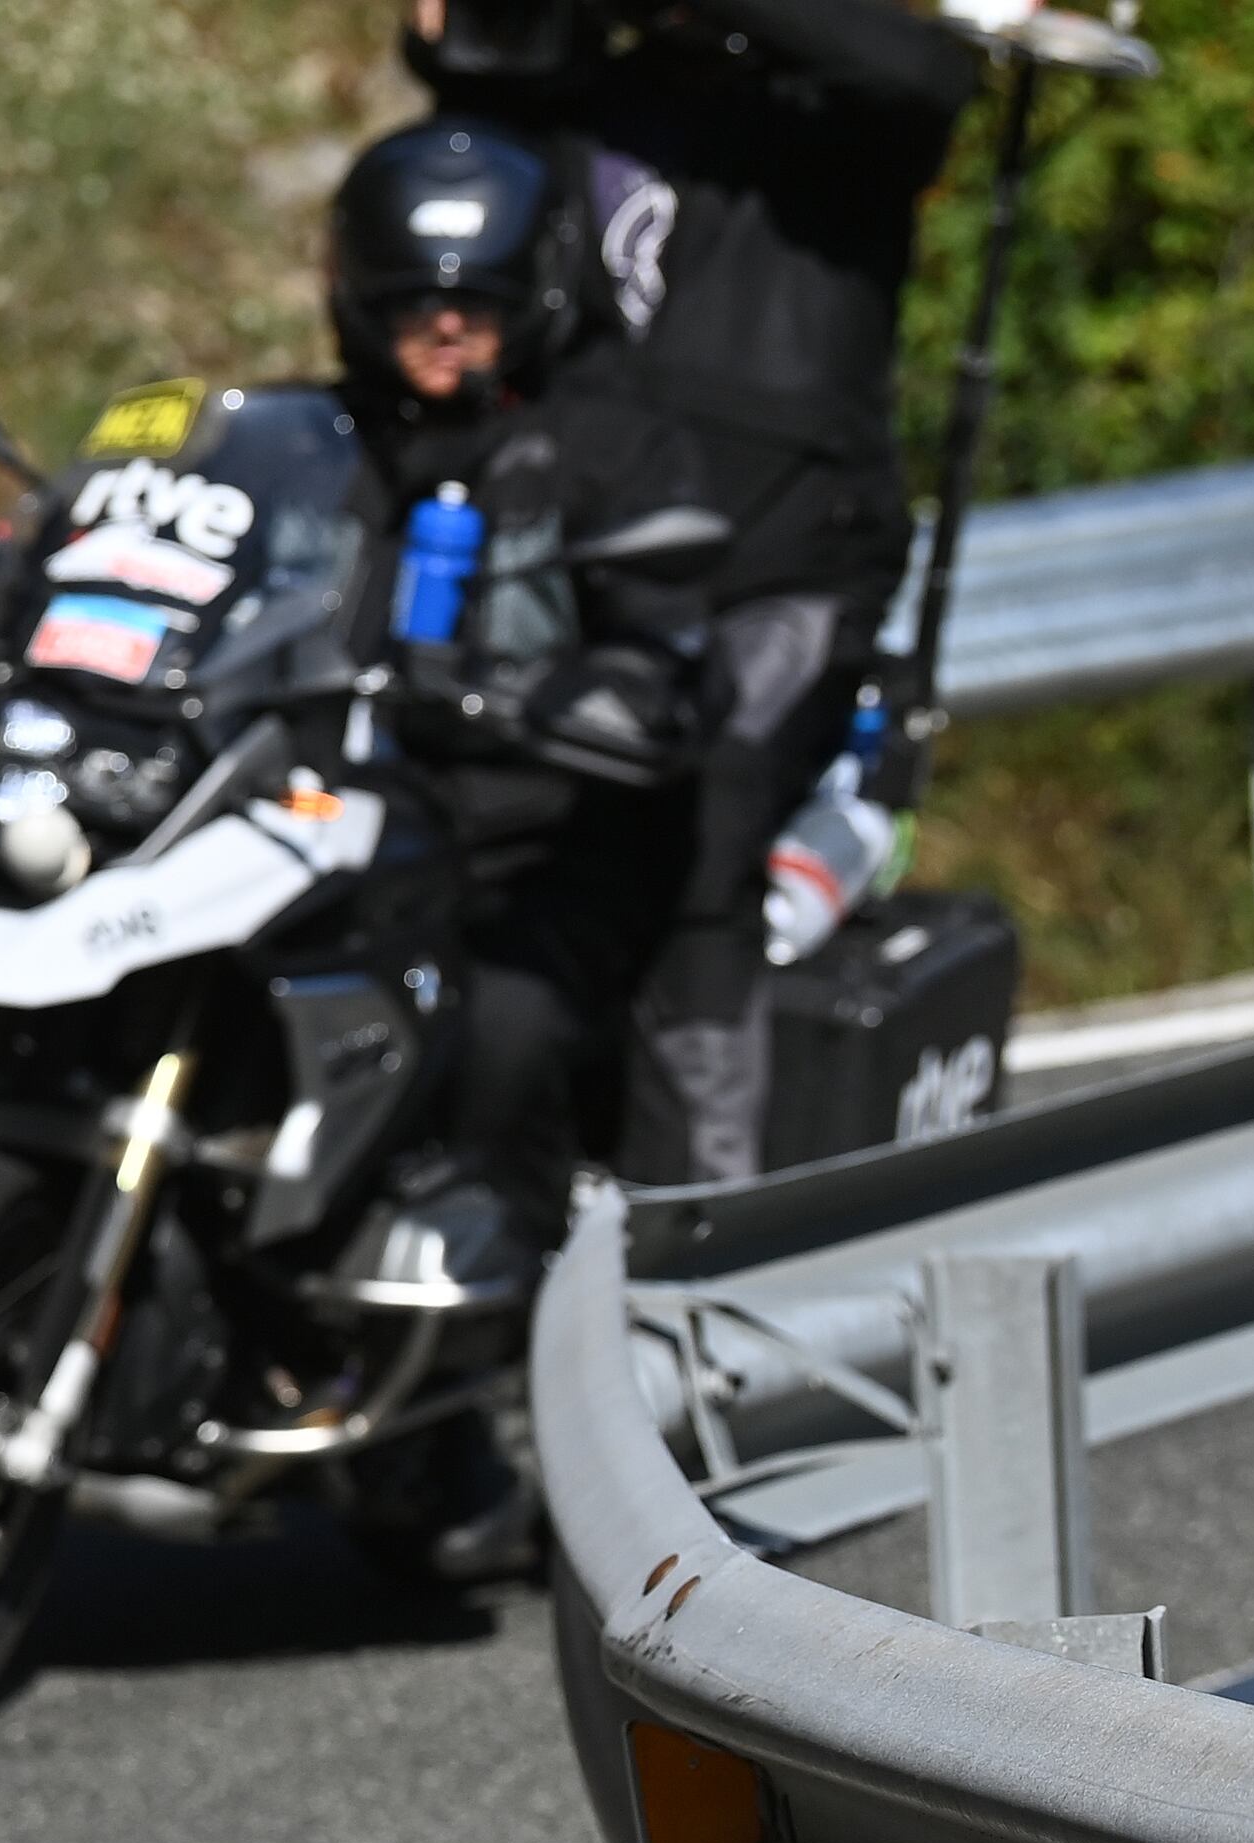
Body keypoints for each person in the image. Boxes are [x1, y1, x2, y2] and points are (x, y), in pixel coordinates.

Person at [409, 0, 983, 1185]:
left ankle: (700, 1225)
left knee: (697, 842)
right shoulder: (588, 87)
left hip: (781, 568)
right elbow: (466, 89)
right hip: (580, 552)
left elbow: (925, 77)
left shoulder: (835, 96)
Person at [329, 118, 717, 1348]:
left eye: (476, 307)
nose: (445, 331)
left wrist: (556, 699)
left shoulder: (609, 448)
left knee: (499, 1027)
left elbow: (667, 660)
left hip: (533, 857)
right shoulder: (315, 441)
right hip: (323, 837)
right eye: (413, 306)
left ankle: (497, 1353)